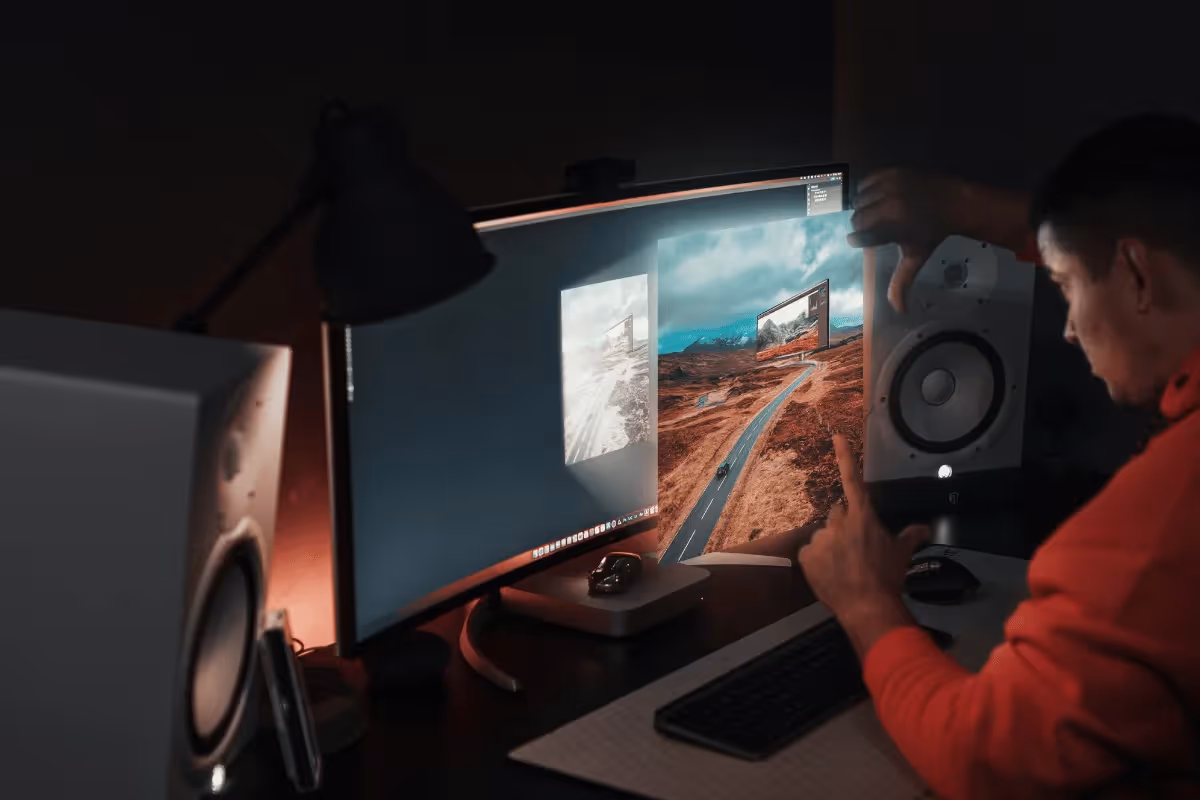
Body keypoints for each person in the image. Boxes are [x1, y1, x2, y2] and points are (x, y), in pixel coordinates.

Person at [798, 113, 1200, 799]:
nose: (1069, 329)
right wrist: (965, 210)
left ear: (1136, 272)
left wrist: (867, 606)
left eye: (1068, 284)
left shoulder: (1151, 535)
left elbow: (986, 761)